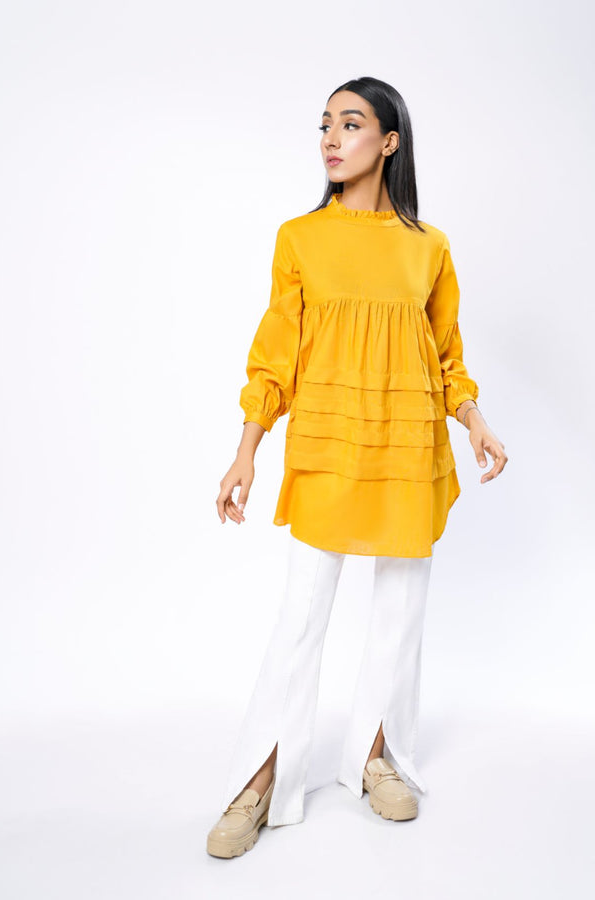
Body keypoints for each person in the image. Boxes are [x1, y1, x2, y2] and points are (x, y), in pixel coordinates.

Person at [206, 75, 507, 859]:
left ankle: (378, 756)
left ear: (389, 141)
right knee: (302, 615)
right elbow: (274, 357)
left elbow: (446, 356)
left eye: (350, 123)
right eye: (325, 125)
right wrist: (246, 451)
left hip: (408, 444)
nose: (331, 139)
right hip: (328, 444)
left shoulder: (429, 246)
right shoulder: (300, 238)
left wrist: (475, 420)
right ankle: (261, 777)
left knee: (400, 612)